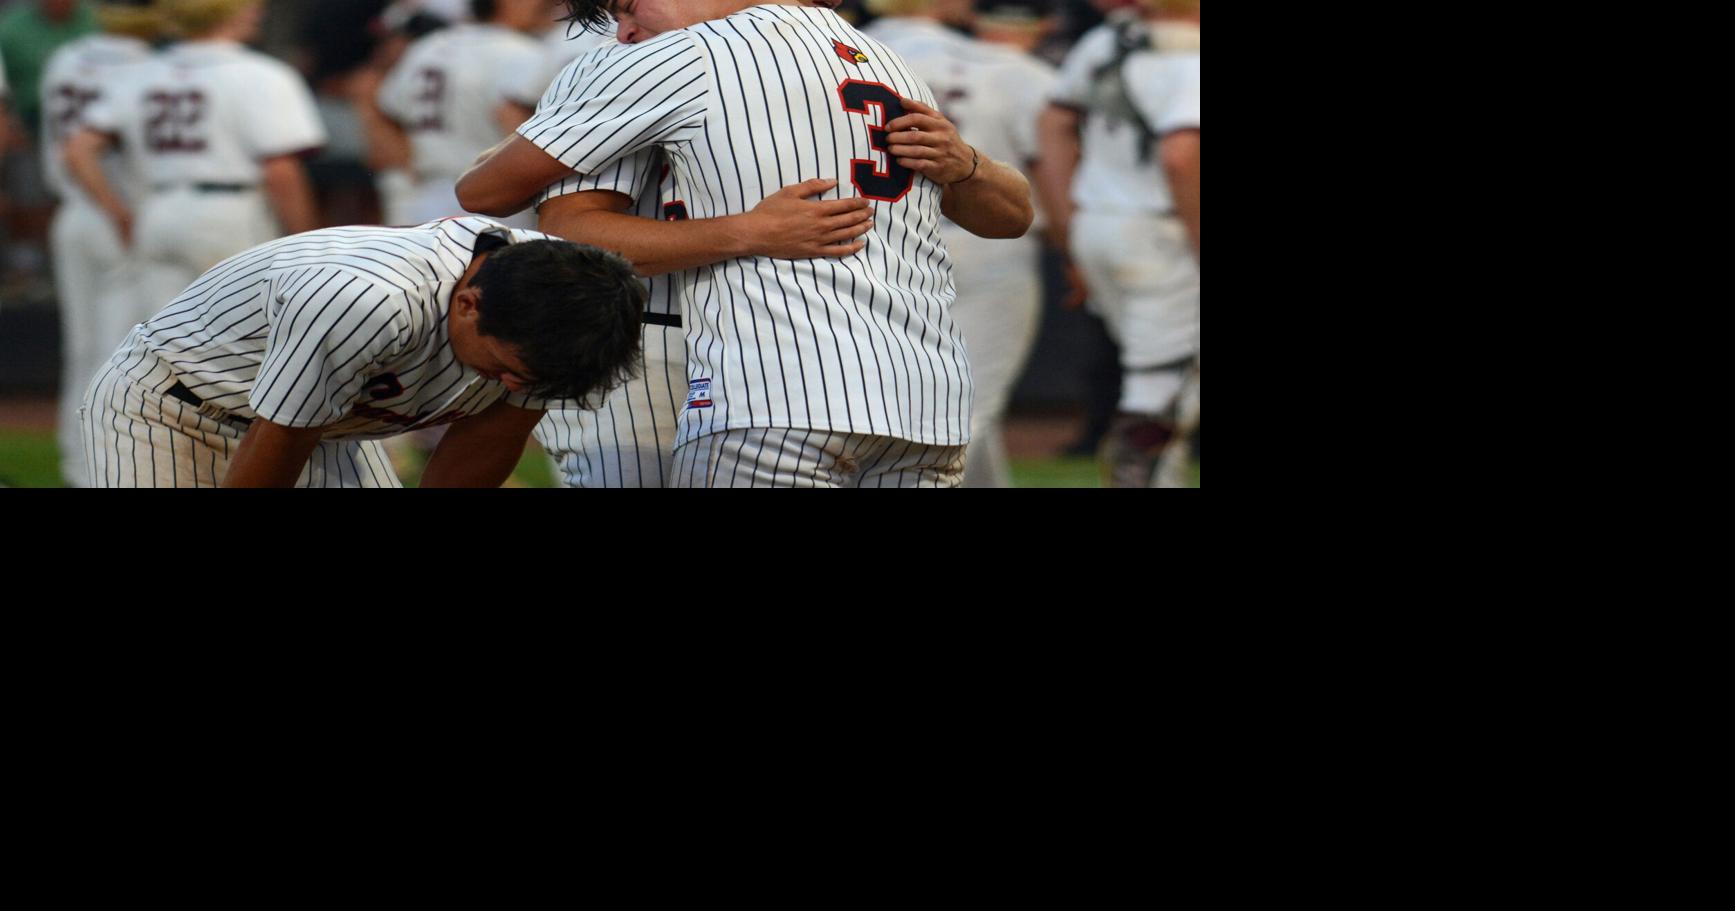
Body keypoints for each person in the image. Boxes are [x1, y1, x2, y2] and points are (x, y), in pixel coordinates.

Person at [459, 0, 1035, 487]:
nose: (623, 32)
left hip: (762, 361)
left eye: (631, 8)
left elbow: (490, 193)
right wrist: (749, 230)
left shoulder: (680, 57)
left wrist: (969, 164)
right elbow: (530, 208)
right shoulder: (885, 60)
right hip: (902, 385)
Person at [81, 216, 646, 488]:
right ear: (468, 303)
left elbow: (486, 441)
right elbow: (281, 438)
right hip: (176, 407)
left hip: (327, 424)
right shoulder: (368, 300)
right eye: (506, 371)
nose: (514, 388)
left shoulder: (576, 307)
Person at [863, 0, 1057, 488]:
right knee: (960, 414)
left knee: (913, 403)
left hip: (889, 244)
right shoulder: (1018, 71)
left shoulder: (845, 51)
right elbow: (1053, 166)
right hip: (991, 242)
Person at [64, 0, 326, 324]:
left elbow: (78, 148)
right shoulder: (261, 74)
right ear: (223, 10)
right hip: (227, 213)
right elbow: (280, 171)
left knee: (165, 340)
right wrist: (307, 245)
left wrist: (119, 214)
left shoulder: (143, 71)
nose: (256, 11)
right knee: (239, 337)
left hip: (157, 211)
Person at [1036, 0, 1198, 487]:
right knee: (1159, 394)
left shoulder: (1106, 40)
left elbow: (1052, 125)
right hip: (1164, 234)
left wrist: (1068, 233)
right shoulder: (1188, 56)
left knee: (1163, 381)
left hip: (1100, 224)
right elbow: (1181, 156)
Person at [40, 0, 164, 487]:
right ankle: (104, 467)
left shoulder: (65, 57)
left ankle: (77, 466)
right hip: (118, 212)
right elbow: (85, 150)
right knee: (119, 352)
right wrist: (118, 210)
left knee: (81, 347)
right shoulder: (144, 66)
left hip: (71, 214)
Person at [374, 0, 554, 228]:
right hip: (493, 199)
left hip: (427, 198)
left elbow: (386, 112)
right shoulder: (521, 51)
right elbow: (511, 117)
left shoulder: (429, 45)